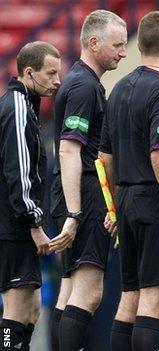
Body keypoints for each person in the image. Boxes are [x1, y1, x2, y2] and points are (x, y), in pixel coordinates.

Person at [99, 11, 159, 351]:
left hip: (125, 199)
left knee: (130, 297)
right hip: (155, 202)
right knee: (155, 302)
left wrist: (116, 205)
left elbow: (105, 158)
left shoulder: (118, 88)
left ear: (138, 45)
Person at [47, 10, 127, 351]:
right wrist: (76, 213)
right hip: (83, 196)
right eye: (117, 45)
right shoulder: (82, 86)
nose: (123, 52)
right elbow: (67, 151)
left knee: (69, 292)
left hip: (76, 194)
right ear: (93, 43)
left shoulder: (86, 82)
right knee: (90, 292)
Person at [0, 41, 61, 351]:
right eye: (50, 73)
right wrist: (34, 224)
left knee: (32, 308)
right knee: (16, 309)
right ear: (28, 72)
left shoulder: (26, 106)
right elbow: (19, 171)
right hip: (13, 227)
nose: (57, 81)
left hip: (16, 224)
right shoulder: (18, 108)